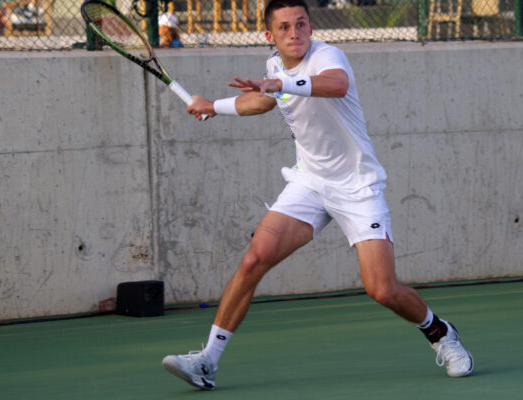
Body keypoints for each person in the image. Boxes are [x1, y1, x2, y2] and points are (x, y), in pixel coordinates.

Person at [162, 0, 473, 390]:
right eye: (285, 28)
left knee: (382, 289)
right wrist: (214, 106)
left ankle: (440, 332)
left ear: (310, 27)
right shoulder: (274, 65)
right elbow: (263, 99)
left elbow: (334, 85)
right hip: (309, 183)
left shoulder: (328, 56)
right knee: (254, 259)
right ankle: (207, 360)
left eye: (301, 25)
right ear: (270, 36)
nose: (295, 33)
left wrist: (280, 83)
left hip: (357, 187)